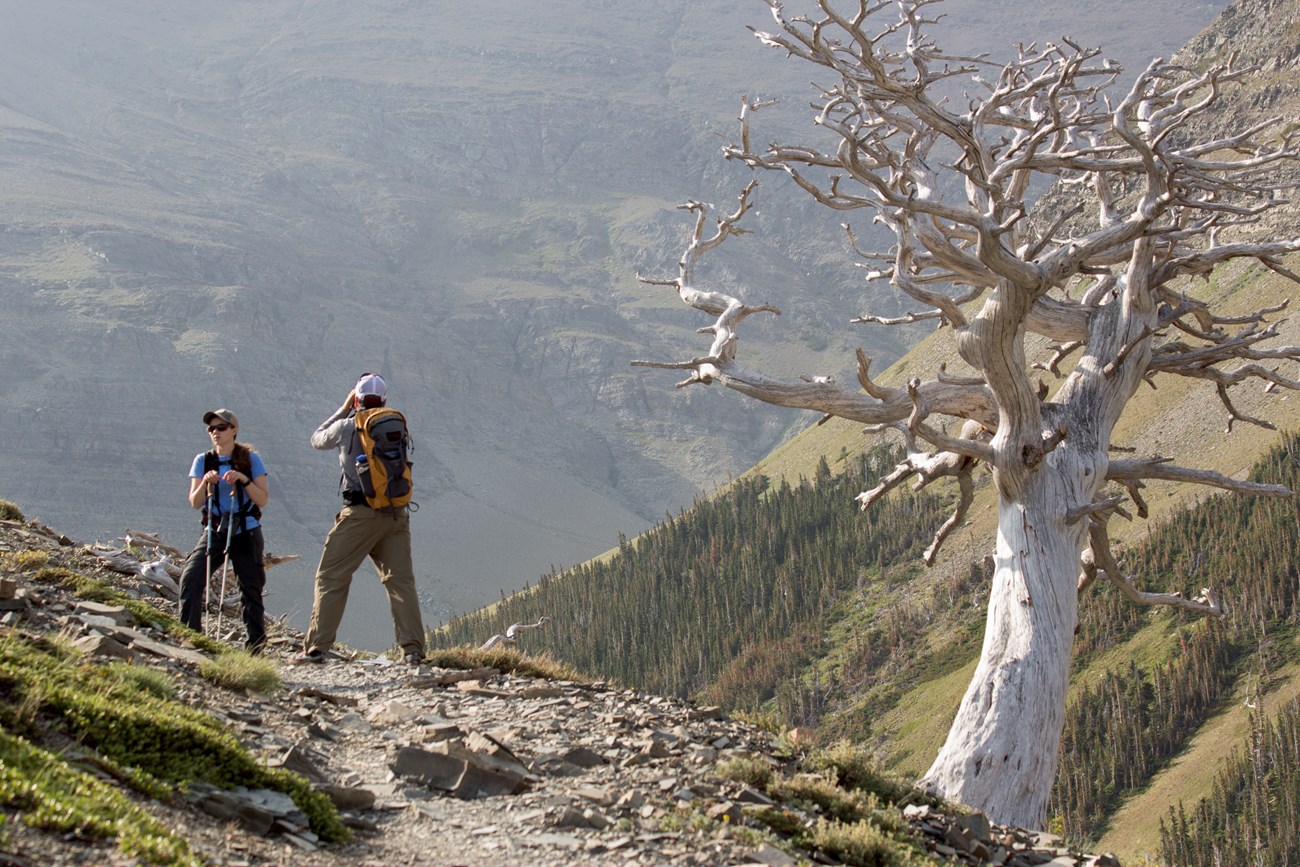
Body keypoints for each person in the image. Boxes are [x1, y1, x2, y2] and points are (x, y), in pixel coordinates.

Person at [295, 374, 426, 665]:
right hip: (395, 514)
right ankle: (413, 650)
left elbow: (317, 439)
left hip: (359, 514)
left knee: (331, 576)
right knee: (400, 581)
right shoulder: (394, 424)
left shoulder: (347, 426)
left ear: (356, 399)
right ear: (384, 400)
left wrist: (344, 409)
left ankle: (317, 647)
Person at [177, 408, 271, 653]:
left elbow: (262, 499)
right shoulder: (203, 461)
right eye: (211, 429)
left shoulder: (250, 459)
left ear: (234, 430)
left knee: (250, 588)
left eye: (220, 428)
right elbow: (195, 502)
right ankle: (191, 638)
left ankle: (255, 649)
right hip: (216, 529)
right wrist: (206, 483)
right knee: (191, 577)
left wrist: (244, 479)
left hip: (246, 529)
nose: (215, 433)